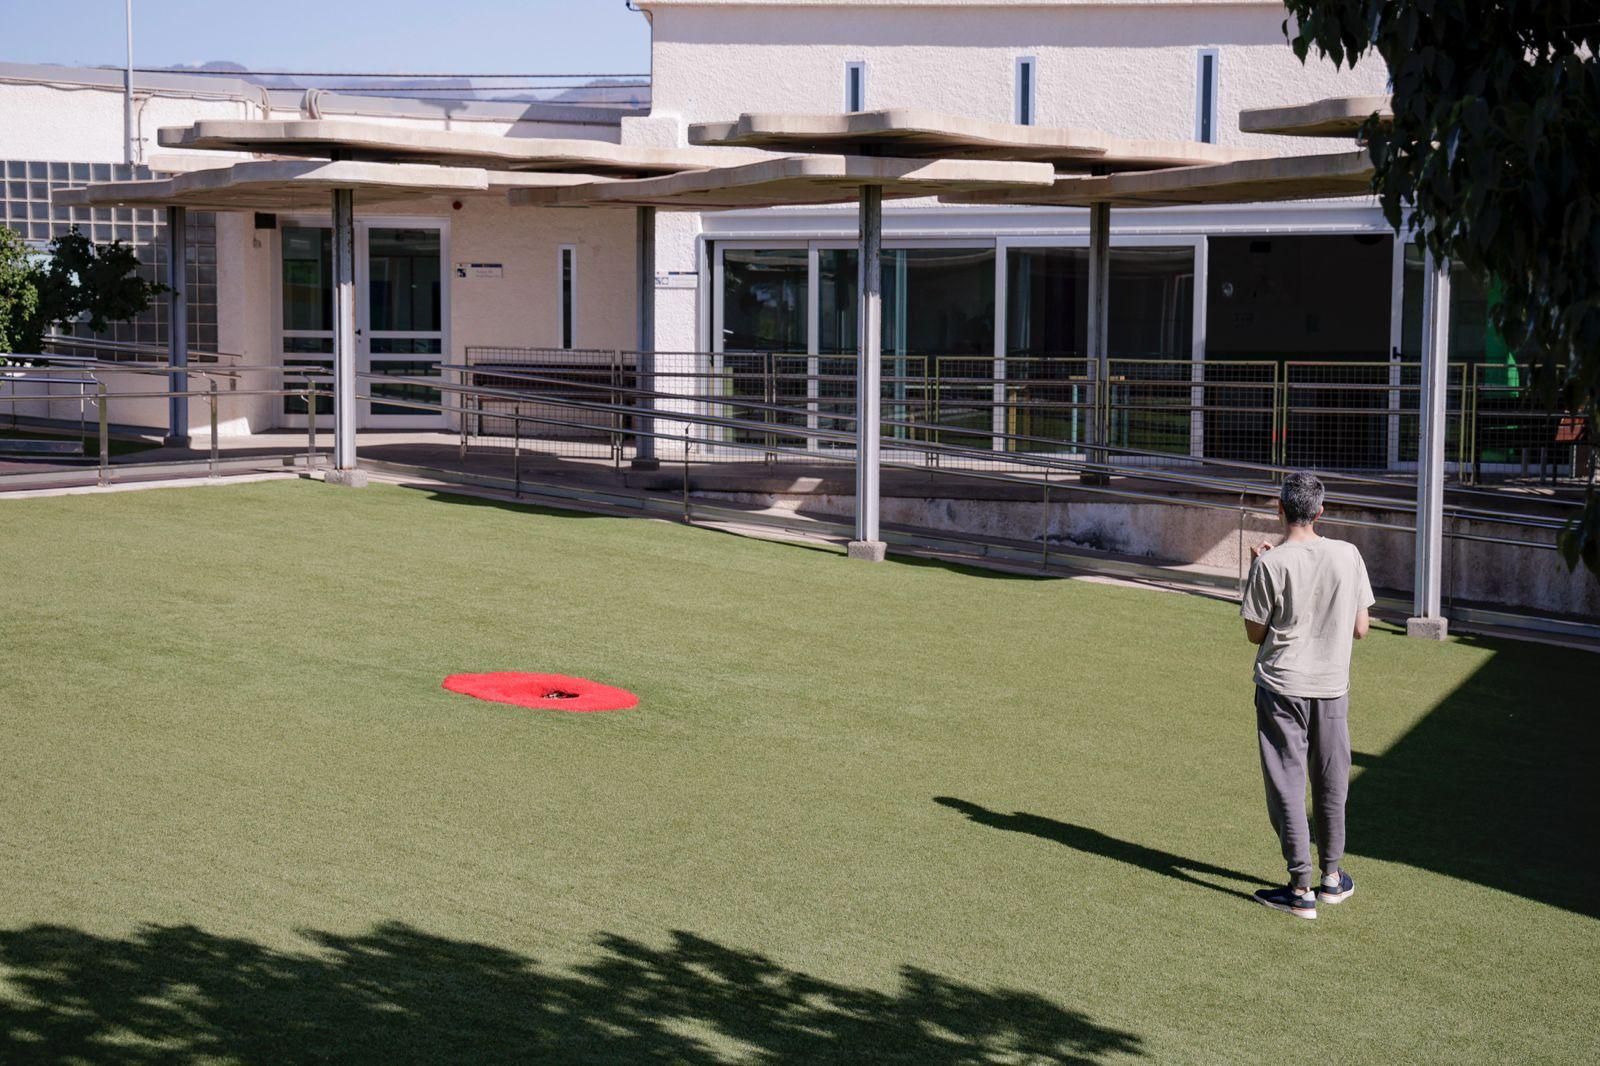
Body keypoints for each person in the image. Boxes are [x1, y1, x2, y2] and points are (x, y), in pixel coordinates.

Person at [1240, 472, 1374, 920]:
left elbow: (1254, 632)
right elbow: (1361, 628)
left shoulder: (1271, 563)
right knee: (1332, 781)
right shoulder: (1348, 554)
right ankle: (1332, 878)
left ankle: (1301, 888)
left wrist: (1256, 568)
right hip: (1332, 687)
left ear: (1279, 509)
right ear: (1320, 511)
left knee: (1288, 783)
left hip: (1281, 686)